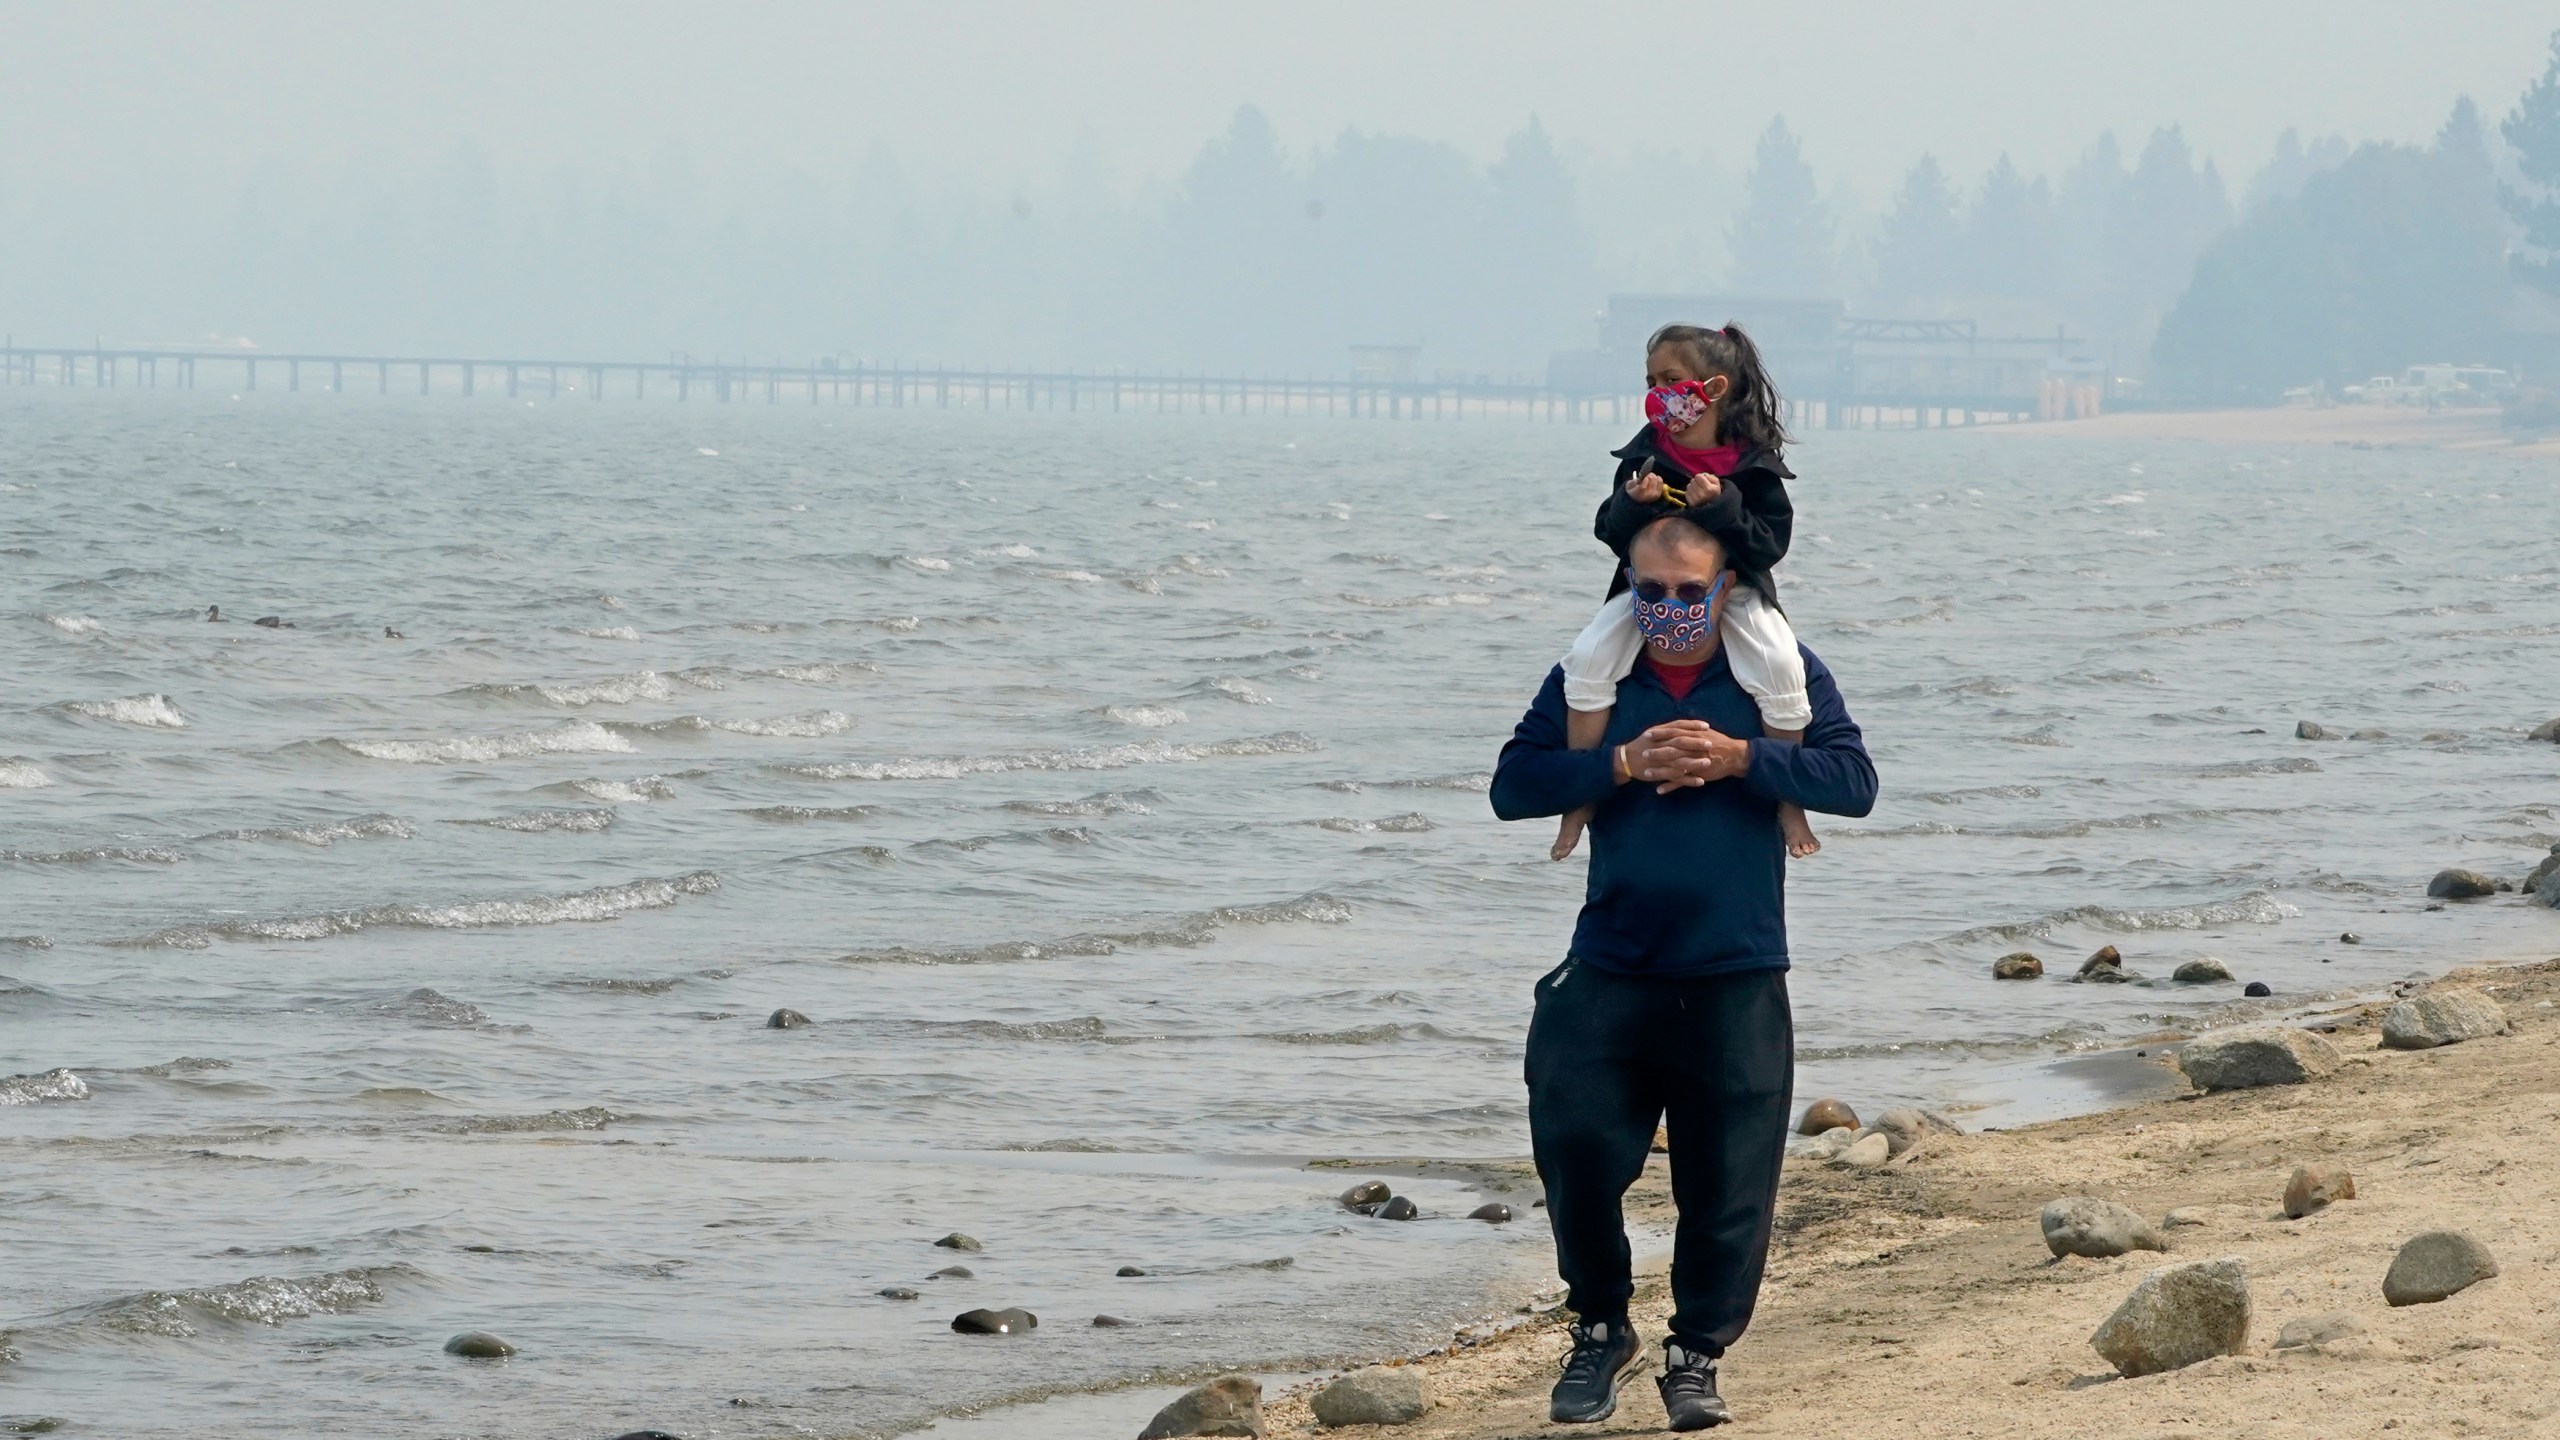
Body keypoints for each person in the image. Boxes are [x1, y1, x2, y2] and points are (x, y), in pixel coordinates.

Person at [1490, 515, 1877, 1430]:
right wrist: (1619, 763)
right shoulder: (1597, 672)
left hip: (1736, 972)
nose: (1666, 609)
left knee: (1728, 1187)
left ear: (1726, 583)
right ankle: (1598, 1328)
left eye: (1687, 591)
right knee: (1576, 1151)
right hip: (1611, 967)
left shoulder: (1774, 669)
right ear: (1627, 583)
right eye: (1648, 590)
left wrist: (1744, 758)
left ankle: (1695, 1354)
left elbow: (1853, 780)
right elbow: (1513, 783)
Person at [1550, 323, 1817, 865]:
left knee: (1783, 664)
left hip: (1733, 591)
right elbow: (1609, 533)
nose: (1658, 391)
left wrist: (1721, 508)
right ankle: (1580, 798)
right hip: (1646, 592)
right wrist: (1634, 502)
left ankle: (1789, 799)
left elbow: (1769, 546)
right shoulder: (1645, 455)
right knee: (1588, 659)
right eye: (1651, 380)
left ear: (1712, 389)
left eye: (1671, 379)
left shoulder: (1754, 464)